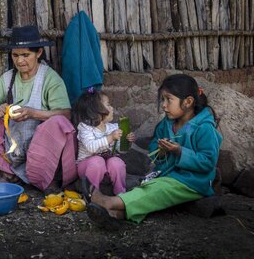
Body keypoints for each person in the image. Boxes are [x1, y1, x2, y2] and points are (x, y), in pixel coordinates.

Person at [85, 74, 222, 230]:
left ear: (188, 102)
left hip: (192, 181)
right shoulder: (166, 124)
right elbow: (154, 149)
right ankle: (115, 215)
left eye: (168, 100)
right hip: (168, 176)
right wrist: (161, 152)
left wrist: (179, 151)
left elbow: (208, 161)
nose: (163, 105)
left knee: (156, 190)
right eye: (162, 100)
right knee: (147, 188)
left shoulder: (205, 128)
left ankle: (108, 202)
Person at [0, 25, 77, 192]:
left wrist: (33, 113)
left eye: (25, 55)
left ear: (39, 53)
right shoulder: (8, 78)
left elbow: (66, 115)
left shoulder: (50, 78)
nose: (20, 61)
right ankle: (9, 173)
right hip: (12, 145)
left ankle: (44, 177)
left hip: (41, 146)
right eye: (15, 55)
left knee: (58, 122)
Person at [72, 88, 135, 195]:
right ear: (95, 111)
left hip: (107, 170)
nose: (112, 108)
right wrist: (110, 138)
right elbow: (91, 147)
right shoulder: (85, 128)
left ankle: (120, 193)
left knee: (117, 162)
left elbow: (120, 150)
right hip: (87, 169)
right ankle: (92, 193)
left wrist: (127, 142)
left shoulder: (112, 127)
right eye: (108, 105)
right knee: (97, 161)